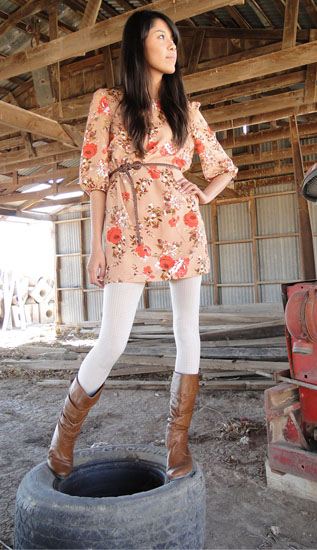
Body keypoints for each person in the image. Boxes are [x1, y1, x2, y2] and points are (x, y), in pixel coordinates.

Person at [47, 9, 237, 481]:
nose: (172, 46)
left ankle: (177, 441)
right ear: (139, 44)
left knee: (186, 329)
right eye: (161, 37)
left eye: (174, 39)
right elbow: (95, 177)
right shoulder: (108, 103)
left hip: (182, 227)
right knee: (112, 339)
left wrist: (203, 194)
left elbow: (223, 167)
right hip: (125, 228)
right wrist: (96, 247)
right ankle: (63, 436)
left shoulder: (186, 109)